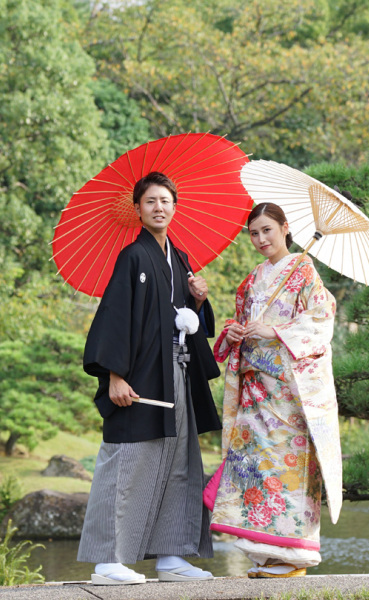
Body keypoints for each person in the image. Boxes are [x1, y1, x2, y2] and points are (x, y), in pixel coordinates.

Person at [78, 171, 222, 585]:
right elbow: (116, 318)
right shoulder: (133, 257)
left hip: (176, 373)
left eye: (165, 201)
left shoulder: (180, 259)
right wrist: (114, 376)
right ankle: (107, 560)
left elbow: (191, 324)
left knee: (179, 462)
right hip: (140, 377)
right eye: (151, 202)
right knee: (127, 461)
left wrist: (199, 298)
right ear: (138, 210)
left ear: (175, 207)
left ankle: (171, 556)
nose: (159, 208)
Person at [207, 202, 342, 578]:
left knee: (287, 469)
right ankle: (265, 555)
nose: (261, 239)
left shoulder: (304, 271)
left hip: (288, 390)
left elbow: (321, 319)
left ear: (285, 228)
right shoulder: (251, 280)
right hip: (255, 389)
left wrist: (278, 331)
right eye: (254, 233)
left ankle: (291, 555)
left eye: (268, 230)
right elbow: (242, 320)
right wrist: (235, 331)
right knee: (255, 468)